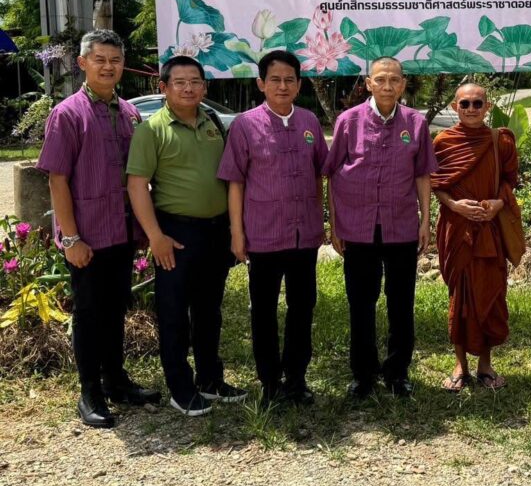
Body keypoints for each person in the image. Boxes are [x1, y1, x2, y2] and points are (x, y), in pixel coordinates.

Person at [36, 30, 160, 428]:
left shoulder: (129, 113)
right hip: (86, 236)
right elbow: (57, 180)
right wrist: (70, 239)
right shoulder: (67, 114)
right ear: (83, 64)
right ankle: (89, 390)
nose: (109, 67)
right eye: (100, 59)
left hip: (122, 233)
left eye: (115, 60)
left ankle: (116, 380)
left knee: (115, 307)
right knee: (89, 313)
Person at [126, 55, 246, 416]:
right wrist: (155, 236)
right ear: (163, 88)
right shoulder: (151, 130)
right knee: (175, 313)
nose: (189, 87)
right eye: (179, 82)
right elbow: (136, 186)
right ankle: (181, 387)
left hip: (215, 231)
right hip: (175, 233)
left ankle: (210, 380)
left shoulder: (211, 122)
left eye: (195, 81)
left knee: (209, 311)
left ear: (205, 87)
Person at [217, 51, 328, 408]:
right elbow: (235, 182)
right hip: (263, 234)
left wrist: (324, 220)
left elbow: (320, 174)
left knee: (302, 306)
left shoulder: (310, 121)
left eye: (290, 80)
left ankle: (296, 379)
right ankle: (269, 381)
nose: (283, 86)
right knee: (263, 310)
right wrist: (237, 232)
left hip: (303, 235)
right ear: (261, 83)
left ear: (298, 84)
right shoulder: (245, 125)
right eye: (275, 80)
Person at [324, 57, 437, 398]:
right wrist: (335, 224)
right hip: (358, 228)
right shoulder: (348, 121)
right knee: (361, 302)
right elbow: (331, 174)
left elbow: (422, 175)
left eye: (394, 80)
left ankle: (397, 372)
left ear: (403, 85)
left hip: (401, 226)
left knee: (401, 303)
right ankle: (362, 374)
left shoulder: (415, 124)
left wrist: (425, 221)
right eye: (381, 80)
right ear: (369, 84)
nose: (387, 86)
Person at [431, 83, 523, 392]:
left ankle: (485, 365)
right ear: (455, 107)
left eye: (477, 103)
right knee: (460, 297)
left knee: (490, 295)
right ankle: (461, 365)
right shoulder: (443, 142)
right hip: (457, 229)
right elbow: (435, 183)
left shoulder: (501, 142)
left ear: (487, 106)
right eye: (465, 104)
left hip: (490, 231)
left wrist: (498, 204)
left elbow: (510, 181)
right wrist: (454, 205)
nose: (471, 109)